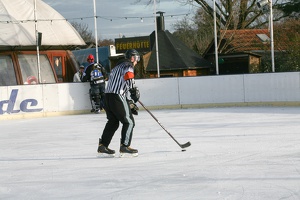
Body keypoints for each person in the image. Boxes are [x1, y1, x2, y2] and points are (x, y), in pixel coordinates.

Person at [97, 49, 141, 157]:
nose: (137, 62)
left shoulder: (116, 67)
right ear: (132, 58)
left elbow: (118, 85)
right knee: (129, 122)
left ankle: (103, 145)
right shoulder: (128, 65)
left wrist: (127, 101)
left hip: (108, 97)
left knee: (113, 122)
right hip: (117, 96)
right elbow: (129, 77)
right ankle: (125, 146)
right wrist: (133, 91)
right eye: (137, 59)